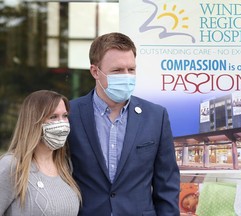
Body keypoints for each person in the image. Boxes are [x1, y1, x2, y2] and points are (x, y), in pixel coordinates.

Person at [68, 32, 180, 216]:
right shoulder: (71, 114)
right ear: (95, 71)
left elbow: (167, 185)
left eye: (131, 69)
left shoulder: (156, 116)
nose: (126, 76)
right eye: (117, 71)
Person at [0, 90, 82, 216]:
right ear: (34, 121)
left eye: (65, 116)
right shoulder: (12, 165)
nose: (62, 123)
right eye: (53, 117)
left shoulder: (65, 165)